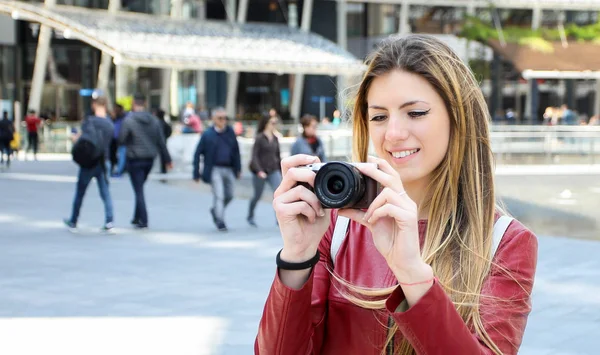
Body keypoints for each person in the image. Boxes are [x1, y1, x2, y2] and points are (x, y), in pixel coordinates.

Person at [255, 34, 538, 354]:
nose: (393, 134)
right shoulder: (336, 226)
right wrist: (296, 256)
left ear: (458, 118)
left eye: (415, 113)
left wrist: (411, 273)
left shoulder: (505, 241)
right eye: (379, 116)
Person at [118, 93, 172, 229]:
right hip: (149, 159)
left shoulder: (129, 120)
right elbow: (161, 141)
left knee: (138, 189)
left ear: (133, 104)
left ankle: (144, 219)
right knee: (139, 187)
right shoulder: (154, 120)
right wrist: (167, 159)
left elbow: (121, 139)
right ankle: (136, 217)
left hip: (135, 158)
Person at [63, 92, 115, 233]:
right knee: (105, 193)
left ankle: (73, 220)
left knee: (80, 192)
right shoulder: (110, 124)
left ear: (94, 105)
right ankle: (109, 220)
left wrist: (75, 139)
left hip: (88, 162)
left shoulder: (89, 121)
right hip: (103, 162)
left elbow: (83, 140)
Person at [193, 107, 241, 232]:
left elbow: (236, 151)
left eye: (225, 118)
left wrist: (238, 168)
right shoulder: (208, 134)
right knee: (219, 195)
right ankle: (220, 221)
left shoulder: (230, 132)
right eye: (220, 118)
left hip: (229, 168)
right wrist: (196, 172)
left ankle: (216, 211)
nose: (223, 121)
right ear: (214, 119)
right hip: (214, 169)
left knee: (230, 195)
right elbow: (197, 153)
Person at [247, 114, 282, 227]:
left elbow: (278, 155)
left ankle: (279, 219)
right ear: (266, 123)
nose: (274, 125)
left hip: (274, 169)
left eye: (275, 123)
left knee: (278, 194)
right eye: (272, 123)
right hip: (261, 171)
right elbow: (254, 156)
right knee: (257, 195)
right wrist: (259, 171)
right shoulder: (259, 138)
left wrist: (282, 170)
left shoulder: (276, 138)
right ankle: (250, 215)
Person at [110, 104, 127, 177]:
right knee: (113, 155)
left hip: (121, 138)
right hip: (113, 139)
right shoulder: (113, 118)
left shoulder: (124, 117)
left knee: (122, 155)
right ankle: (114, 170)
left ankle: (119, 170)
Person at [155, 108, 173, 175]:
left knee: (163, 154)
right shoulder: (163, 122)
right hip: (163, 140)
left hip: (161, 140)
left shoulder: (158, 123)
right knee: (163, 154)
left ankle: (164, 168)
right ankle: (164, 168)